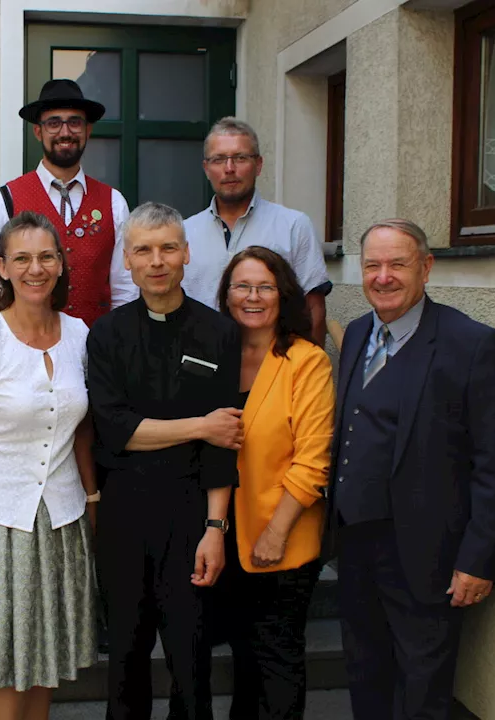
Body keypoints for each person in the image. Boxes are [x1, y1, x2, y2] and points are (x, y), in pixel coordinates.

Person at [328, 219, 495, 720]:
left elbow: (494, 465)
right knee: (365, 671)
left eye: (398, 264)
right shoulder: (356, 335)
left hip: (427, 554)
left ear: (427, 268)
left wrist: (480, 558)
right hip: (354, 545)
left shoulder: (473, 346)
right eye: (372, 265)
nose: (383, 276)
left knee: (422, 689)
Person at [0, 211, 99, 719]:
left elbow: (82, 431)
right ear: (2, 267)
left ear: (60, 264)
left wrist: (92, 499)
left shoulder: (79, 334)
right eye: (22, 258)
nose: (35, 268)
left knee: (45, 660)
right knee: (5, 665)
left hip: (61, 519)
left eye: (46, 256)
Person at [86, 202, 242, 720]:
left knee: (191, 655)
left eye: (168, 248)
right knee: (126, 656)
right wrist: (199, 425)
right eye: (143, 250)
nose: (157, 261)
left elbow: (227, 443)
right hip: (124, 513)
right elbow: (116, 430)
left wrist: (216, 528)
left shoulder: (219, 333)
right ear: (126, 261)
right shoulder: (105, 335)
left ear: (186, 254)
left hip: (193, 510)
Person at [215, 247, 334, 719]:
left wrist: (276, 532)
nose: (253, 297)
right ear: (226, 296)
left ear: (283, 296)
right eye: (242, 287)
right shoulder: (217, 354)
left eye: (265, 287)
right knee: (244, 659)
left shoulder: (307, 361)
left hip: (280, 538)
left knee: (277, 663)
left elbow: (312, 460)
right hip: (228, 536)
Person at [0, 78, 135, 325]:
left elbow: (125, 291)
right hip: (23, 350)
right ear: (38, 131)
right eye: (54, 123)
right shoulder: (4, 201)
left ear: (88, 130)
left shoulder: (113, 203)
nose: (65, 132)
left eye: (74, 122)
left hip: (96, 350)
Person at [181, 118, 330, 343]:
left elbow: (314, 310)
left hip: (275, 365)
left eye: (240, 158)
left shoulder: (293, 226)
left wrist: (307, 370)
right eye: (219, 159)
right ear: (206, 168)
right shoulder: (185, 233)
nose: (229, 169)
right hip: (202, 365)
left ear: (258, 165)